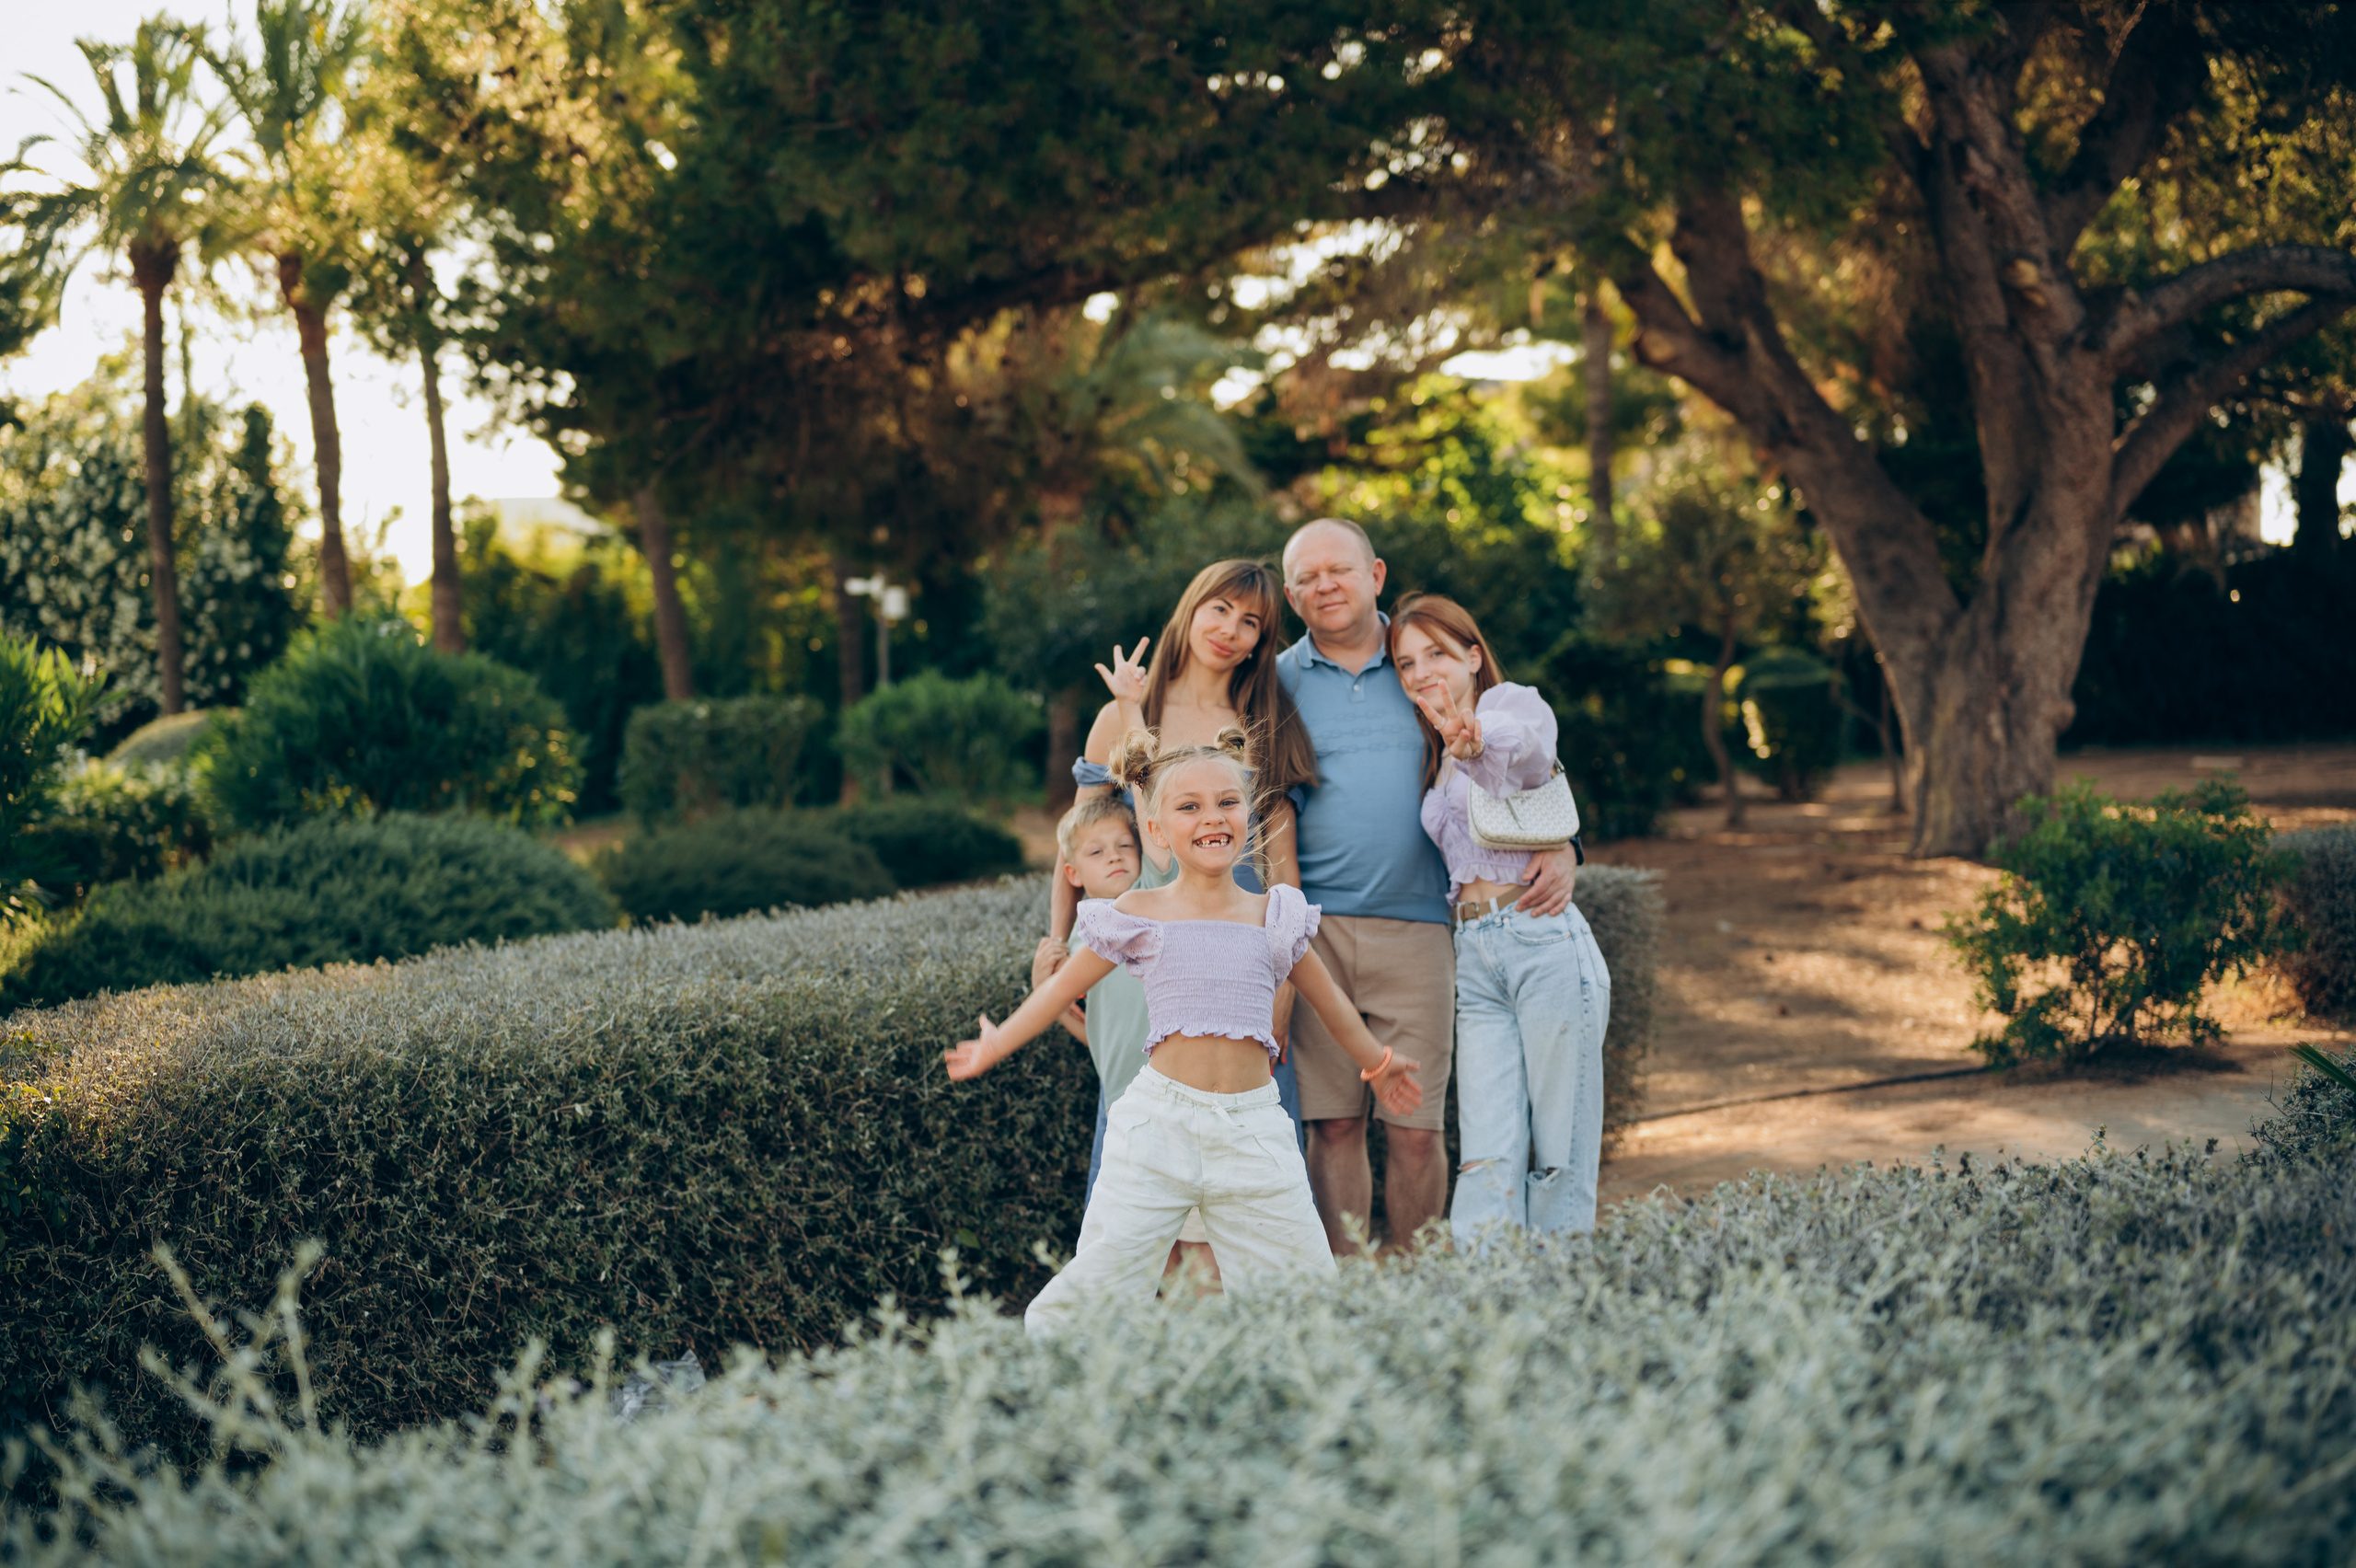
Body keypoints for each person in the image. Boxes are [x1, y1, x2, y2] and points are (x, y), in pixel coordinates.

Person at [948, 729, 1421, 1336]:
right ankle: (1065, 1377)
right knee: (1100, 1283)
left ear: (1248, 814)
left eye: (1227, 802)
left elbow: (1332, 1005)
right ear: (1157, 831)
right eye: (1189, 806)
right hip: (1158, 1127)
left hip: (1254, 1130)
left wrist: (1378, 1063)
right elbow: (1059, 993)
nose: (1212, 818)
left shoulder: (1273, 914)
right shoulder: (1138, 914)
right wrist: (996, 1043)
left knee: (1305, 1295)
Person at [1276, 518, 1578, 1251]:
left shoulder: (1421, 659)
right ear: (1290, 596)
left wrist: (1564, 841)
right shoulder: (1276, 680)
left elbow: (1518, 751)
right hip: (1313, 934)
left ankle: (1418, 1286)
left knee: (1415, 1128)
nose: (1325, 586)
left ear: (1375, 575)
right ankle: (1348, 1285)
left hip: (1418, 928)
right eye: (1307, 578)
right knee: (1334, 1124)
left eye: (1340, 570)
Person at [1038, 559, 1321, 1140]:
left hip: (1243, 960)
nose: (1230, 629)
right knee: (1137, 1142)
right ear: (1191, 610)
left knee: (1251, 1146)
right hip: (1141, 961)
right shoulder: (1122, 716)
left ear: (1260, 642)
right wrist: (1055, 944)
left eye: (1250, 622)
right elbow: (1078, 841)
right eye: (1220, 609)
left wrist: (1286, 990)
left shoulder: (1262, 725)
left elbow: (1282, 873)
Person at [1390, 594, 1611, 1237]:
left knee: (1561, 1146)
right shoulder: (1433, 748)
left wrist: (1478, 740)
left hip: (1540, 938)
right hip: (1475, 955)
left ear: (1473, 656)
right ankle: (1489, 1291)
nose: (1422, 671)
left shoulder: (1510, 706)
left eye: (1436, 653)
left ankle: (1560, 1285)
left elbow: (1529, 754)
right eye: (1406, 663)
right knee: (1486, 1152)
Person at [1048, 793, 1217, 1278]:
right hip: (1127, 1111)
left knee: (1198, 1242)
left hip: (1182, 1104)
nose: (1115, 857)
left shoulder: (1151, 901)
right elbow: (1098, 1034)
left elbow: (1152, 828)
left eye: (1124, 845)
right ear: (1072, 872)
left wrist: (1137, 772)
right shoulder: (1081, 938)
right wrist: (1048, 995)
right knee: (1149, 1246)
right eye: (1096, 851)